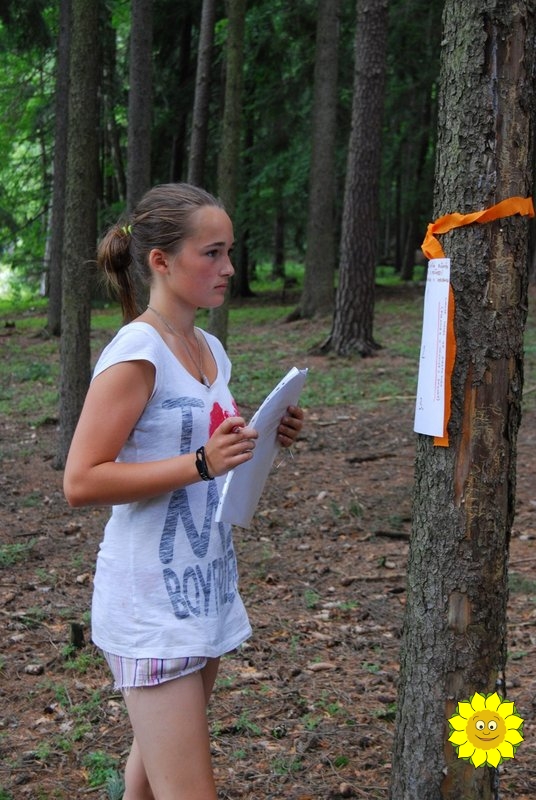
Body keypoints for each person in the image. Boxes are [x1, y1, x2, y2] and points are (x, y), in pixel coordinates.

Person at [63, 182, 304, 800]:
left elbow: (206, 446)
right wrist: (200, 462)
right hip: (150, 603)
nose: (228, 268)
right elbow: (81, 480)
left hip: (204, 588)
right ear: (161, 261)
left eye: (229, 252)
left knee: (146, 787)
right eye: (212, 253)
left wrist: (265, 433)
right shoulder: (137, 352)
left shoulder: (208, 348)